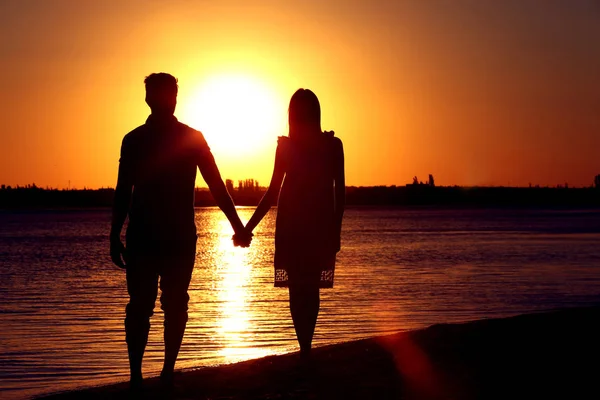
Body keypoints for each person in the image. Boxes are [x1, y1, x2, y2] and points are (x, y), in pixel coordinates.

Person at [109, 73, 251, 389]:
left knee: (153, 305)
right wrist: (115, 233)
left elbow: (215, 184)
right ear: (168, 98)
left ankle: (152, 374)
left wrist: (114, 233)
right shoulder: (138, 140)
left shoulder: (147, 139)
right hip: (155, 236)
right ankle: (153, 373)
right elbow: (124, 191)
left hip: (166, 237)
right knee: (157, 305)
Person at [244, 88, 345, 359]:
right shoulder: (292, 147)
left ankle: (305, 347)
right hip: (303, 224)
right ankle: (305, 347)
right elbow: (274, 190)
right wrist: (247, 227)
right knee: (306, 288)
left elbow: (340, 190)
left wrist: (247, 229)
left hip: (305, 225)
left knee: (302, 289)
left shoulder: (331, 145)